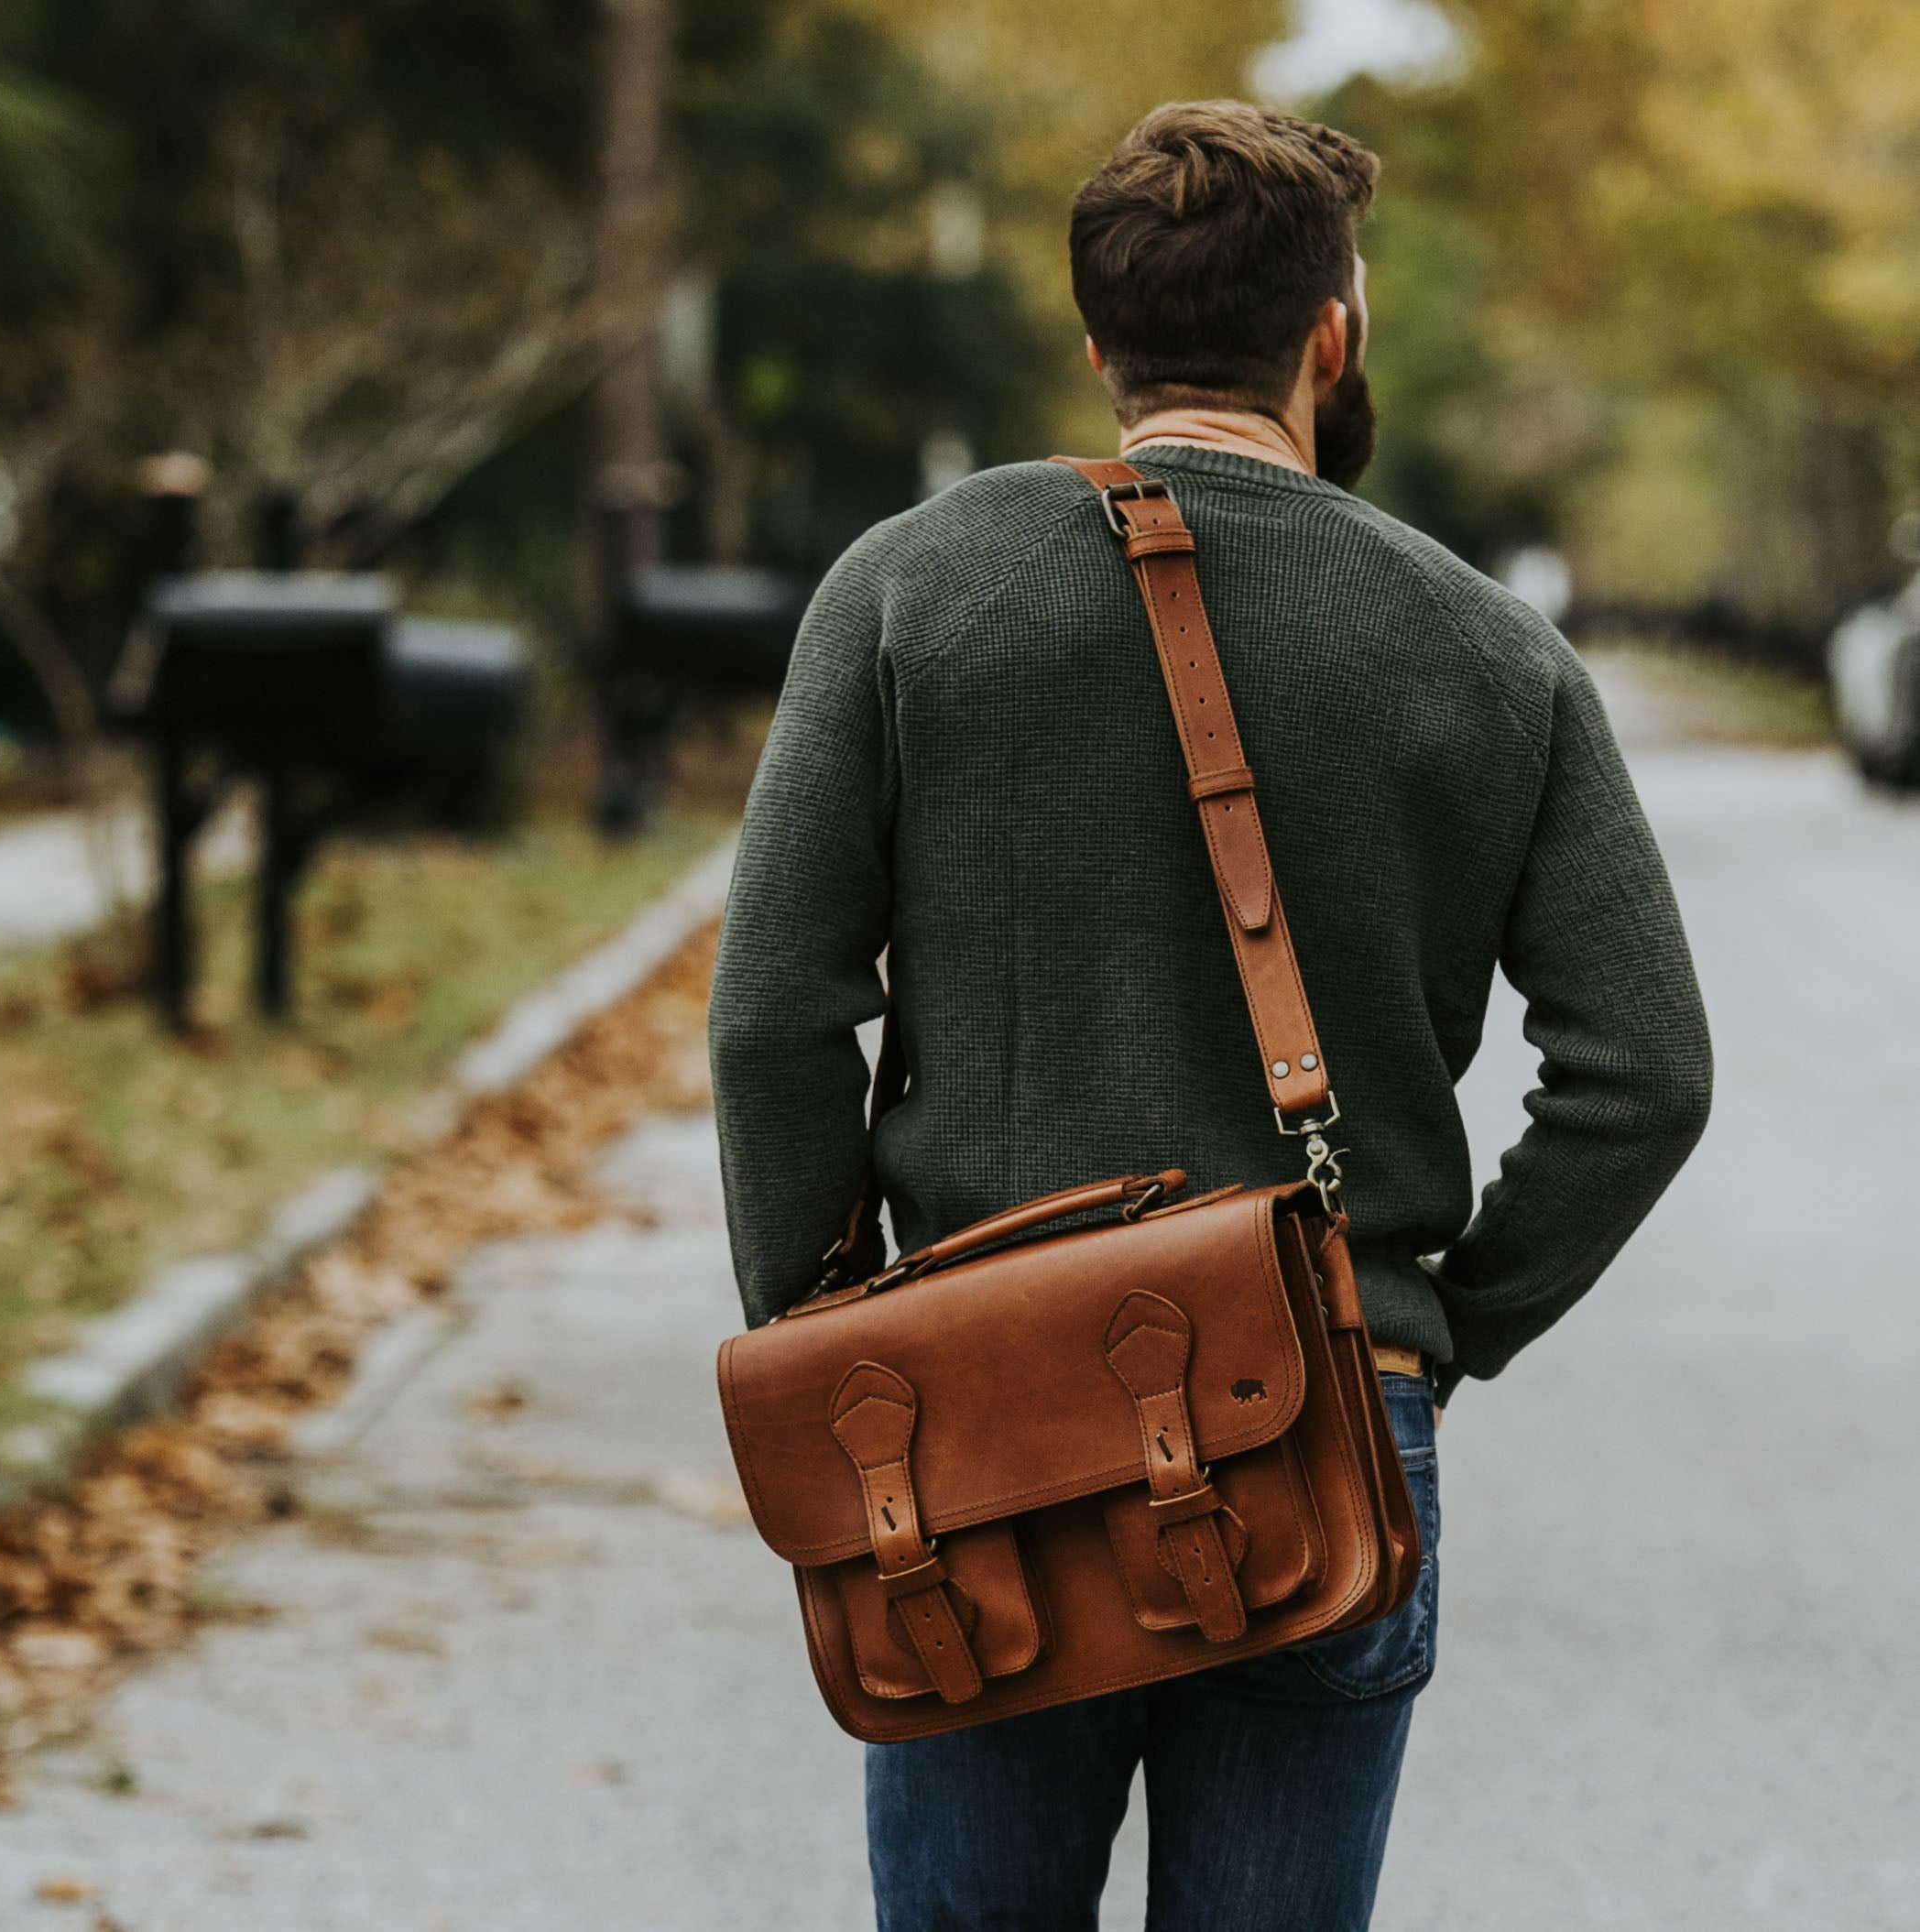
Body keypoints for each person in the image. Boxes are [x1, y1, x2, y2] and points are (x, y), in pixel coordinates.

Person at [709, 100, 1711, 1932]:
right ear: (1329, 333)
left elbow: (776, 1014)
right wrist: (1426, 1331)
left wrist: (827, 1341)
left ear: (1097, 344)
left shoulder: (906, 589)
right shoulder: (1491, 651)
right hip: (1328, 1419)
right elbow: (1643, 1073)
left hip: (972, 1439)